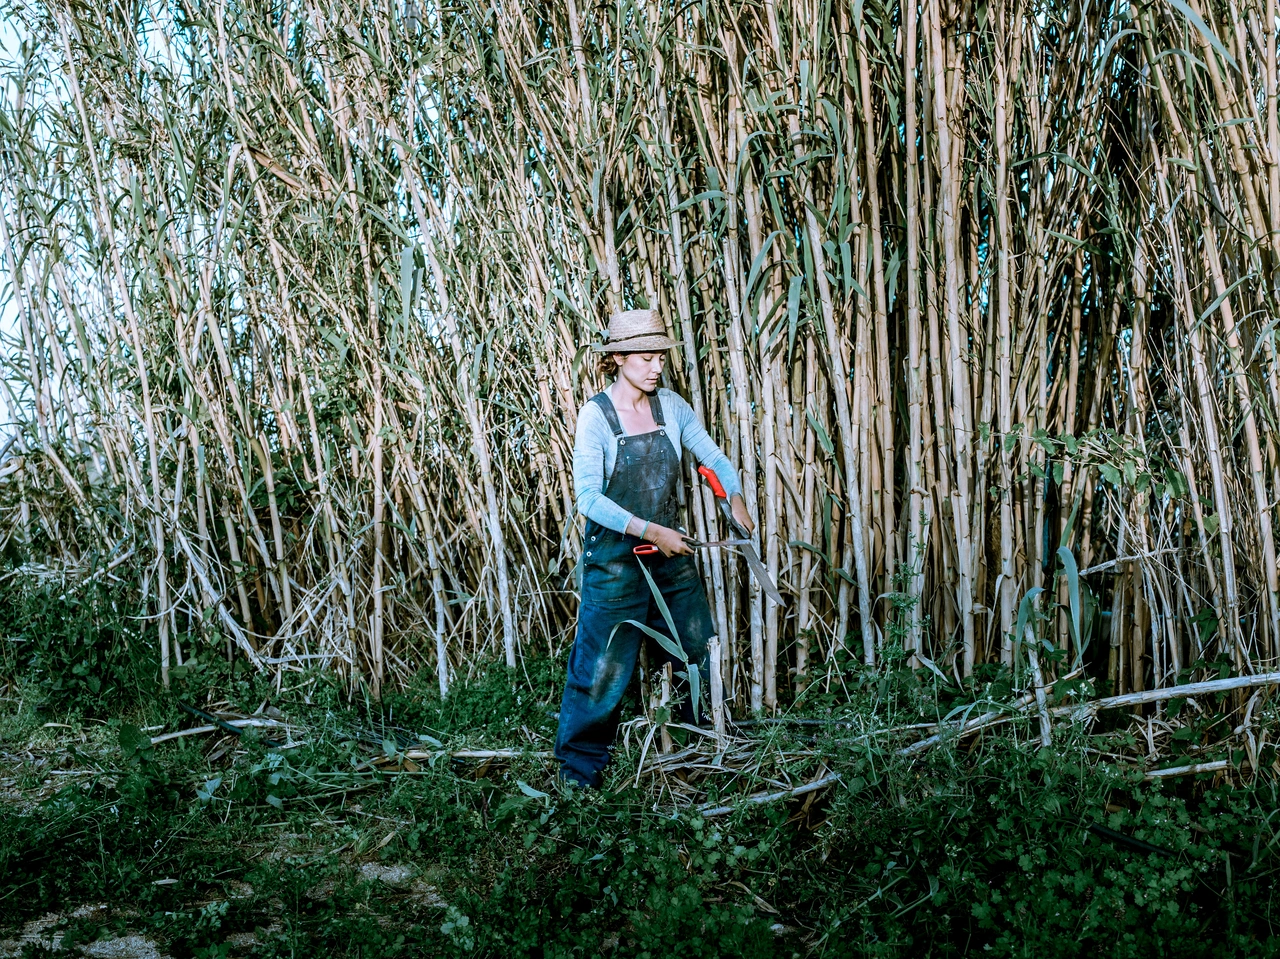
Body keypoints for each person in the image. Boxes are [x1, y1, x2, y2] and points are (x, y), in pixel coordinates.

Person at [555, 308, 755, 788]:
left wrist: (735, 497)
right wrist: (650, 531)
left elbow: (712, 458)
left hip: (669, 558)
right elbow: (588, 499)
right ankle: (579, 777)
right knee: (601, 670)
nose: (656, 367)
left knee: (698, 651)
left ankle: (704, 747)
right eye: (646, 358)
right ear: (618, 358)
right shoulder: (595, 417)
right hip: (615, 565)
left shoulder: (672, 408)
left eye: (660, 358)